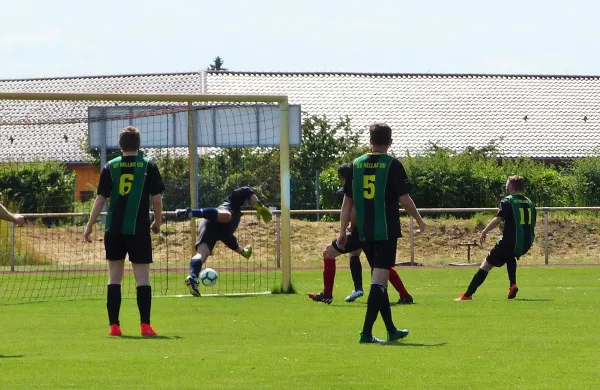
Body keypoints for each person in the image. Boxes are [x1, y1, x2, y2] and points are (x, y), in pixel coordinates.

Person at [338, 123, 426, 344]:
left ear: (370, 141)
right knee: (379, 281)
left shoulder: (356, 165)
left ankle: (391, 330)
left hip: (364, 232)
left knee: (381, 279)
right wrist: (418, 219)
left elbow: (346, 202)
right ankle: (366, 333)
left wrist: (342, 231)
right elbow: (405, 199)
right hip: (385, 230)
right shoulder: (392, 165)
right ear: (390, 141)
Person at [84, 126, 165, 337]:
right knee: (142, 278)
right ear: (139, 144)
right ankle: (145, 325)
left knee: (114, 277)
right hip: (138, 229)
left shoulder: (110, 166)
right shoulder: (148, 165)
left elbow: (100, 199)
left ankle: (114, 326)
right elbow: (156, 199)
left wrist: (89, 225)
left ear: (120, 145)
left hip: (114, 230)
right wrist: (157, 222)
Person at [308, 163, 414, 305]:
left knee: (328, 253)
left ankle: (328, 294)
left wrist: (348, 230)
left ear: (341, 178)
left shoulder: (349, 188)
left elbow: (353, 211)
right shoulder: (370, 183)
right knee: (381, 266)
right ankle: (404, 295)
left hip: (361, 232)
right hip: (375, 231)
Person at [176, 187, 272, 297]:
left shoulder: (236, 220)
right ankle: (190, 213)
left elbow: (227, 238)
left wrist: (242, 251)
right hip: (213, 219)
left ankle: (192, 277)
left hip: (211, 230)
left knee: (202, 254)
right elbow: (247, 190)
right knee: (227, 215)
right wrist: (259, 205)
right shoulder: (232, 202)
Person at [456, 176, 536, 301]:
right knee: (510, 255)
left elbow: (498, 219)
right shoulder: (530, 202)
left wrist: (485, 230)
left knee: (486, 264)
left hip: (510, 241)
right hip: (525, 242)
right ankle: (513, 285)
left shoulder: (508, 201)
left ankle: (467, 295)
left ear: (510, 186)